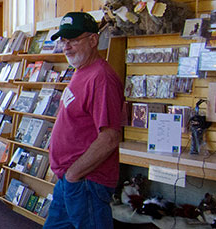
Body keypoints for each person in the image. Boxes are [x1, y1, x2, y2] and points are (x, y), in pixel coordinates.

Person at [43, 12, 125, 229]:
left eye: (73, 40)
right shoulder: (82, 71)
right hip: (70, 182)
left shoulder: (101, 78)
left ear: (93, 40)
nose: (66, 46)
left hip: (87, 182)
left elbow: (110, 137)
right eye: (64, 41)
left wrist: (73, 174)